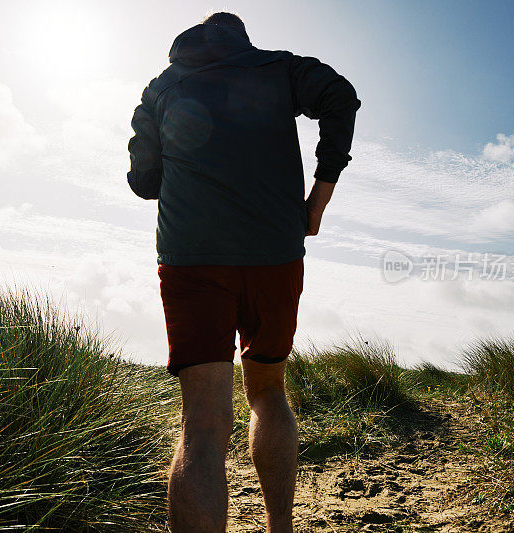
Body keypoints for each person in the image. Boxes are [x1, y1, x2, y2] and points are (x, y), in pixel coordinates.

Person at [127, 11, 360, 533]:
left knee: (203, 427)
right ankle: (281, 529)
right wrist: (317, 201)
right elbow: (341, 97)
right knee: (268, 392)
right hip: (275, 253)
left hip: (192, 258)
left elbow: (144, 182)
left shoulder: (162, 88)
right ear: (243, 39)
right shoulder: (280, 69)